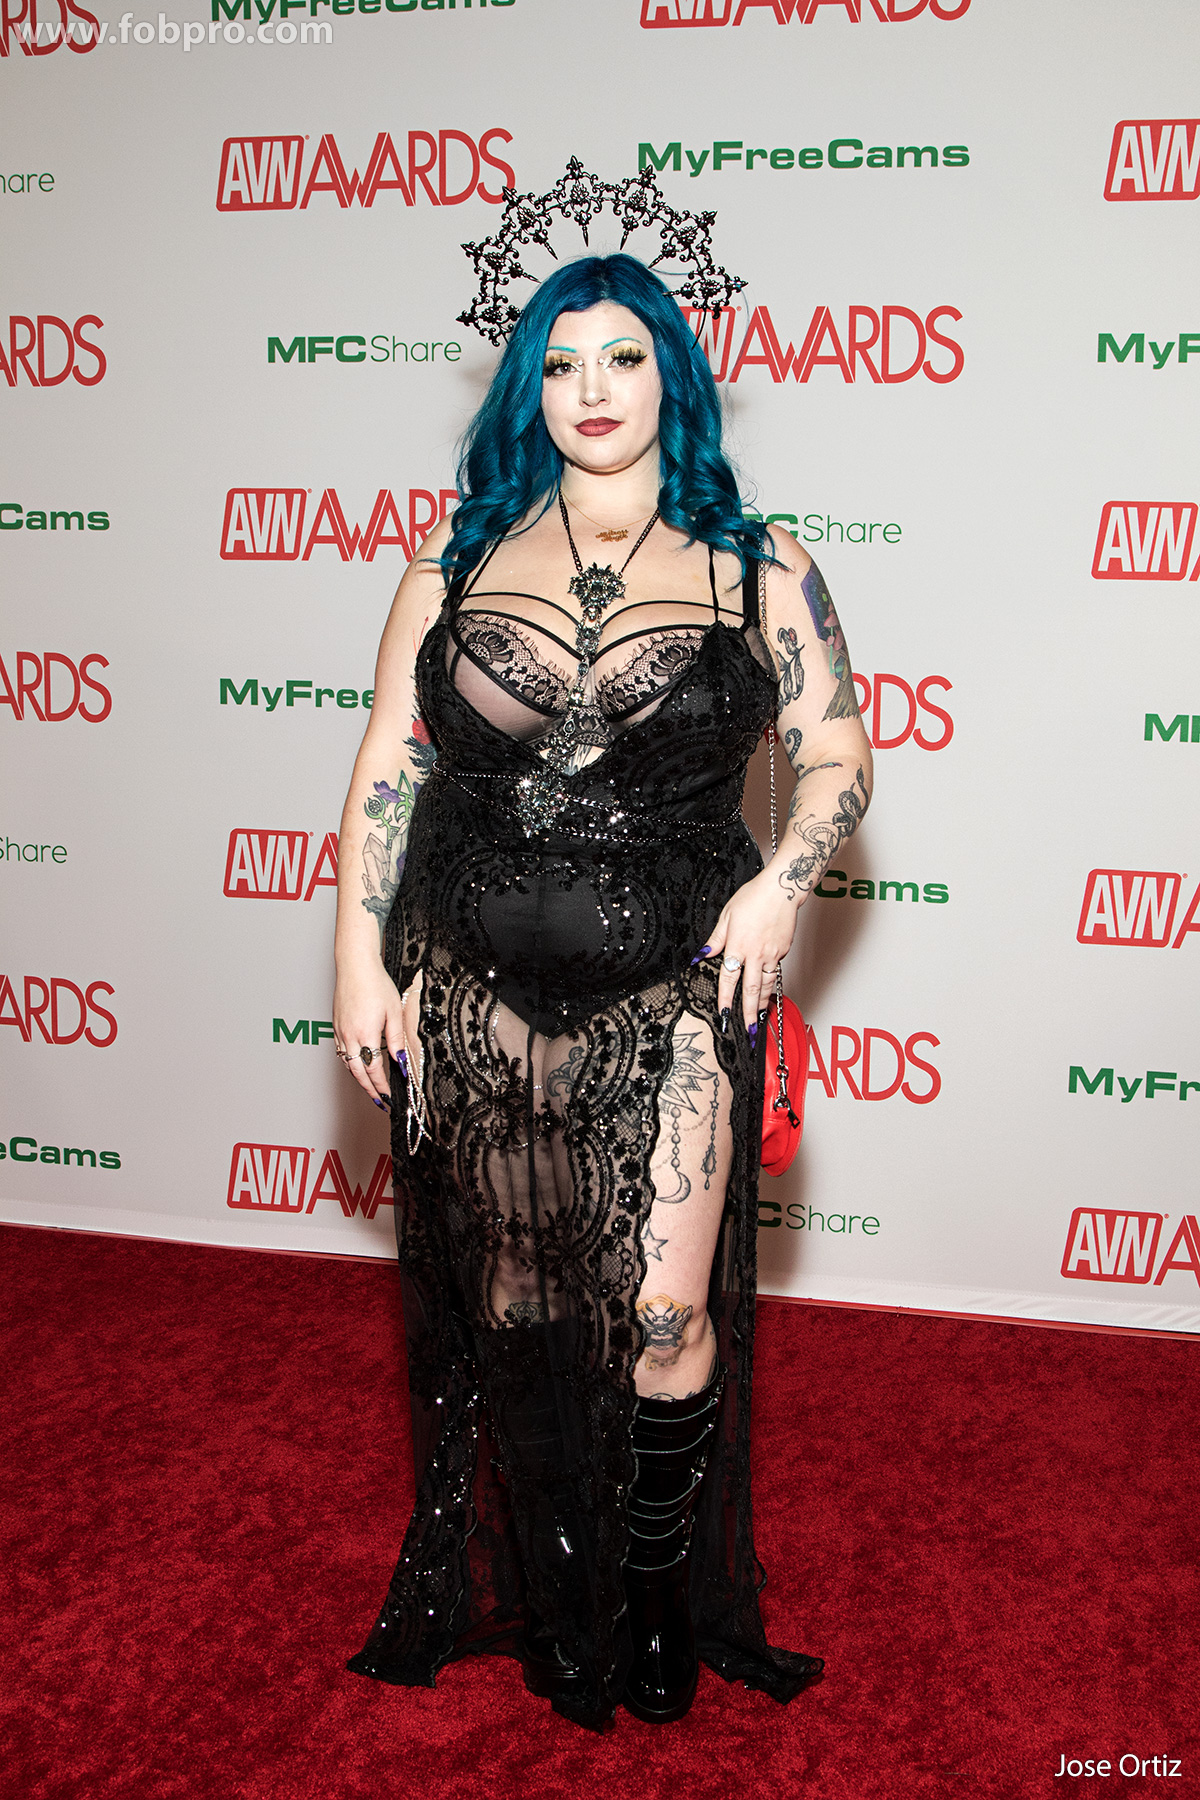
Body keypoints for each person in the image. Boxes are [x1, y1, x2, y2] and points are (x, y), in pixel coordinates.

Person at [333, 250, 873, 1732]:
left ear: (671, 378)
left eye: (624, 358)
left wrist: (783, 882)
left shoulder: (758, 566)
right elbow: (391, 762)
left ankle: (654, 1593)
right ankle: (564, 1588)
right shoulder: (452, 565)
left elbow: (836, 755)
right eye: (561, 364)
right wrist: (356, 959)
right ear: (528, 389)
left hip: (677, 986)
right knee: (520, 1299)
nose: (592, 391)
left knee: (658, 1308)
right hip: (475, 988)